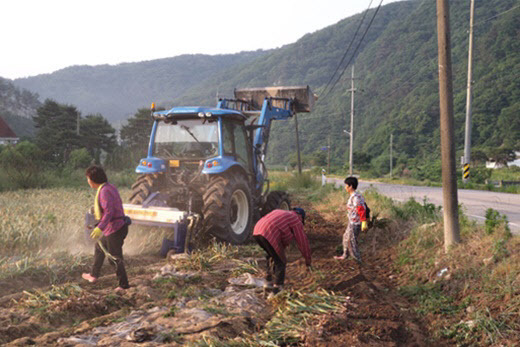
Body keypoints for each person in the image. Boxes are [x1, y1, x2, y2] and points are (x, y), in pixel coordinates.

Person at [82, 165, 130, 292]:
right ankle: (93, 275)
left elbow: (109, 212)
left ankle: (123, 285)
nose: (87, 181)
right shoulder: (109, 187)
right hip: (114, 226)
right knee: (99, 248)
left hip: (115, 228)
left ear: (93, 179)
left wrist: (100, 228)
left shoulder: (104, 191)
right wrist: (97, 225)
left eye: (88, 178)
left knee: (114, 257)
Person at [253, 208, 311, 294]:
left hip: (257, 230)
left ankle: (268, 282)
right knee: (280, 261)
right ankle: (277, 289)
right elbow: (302, 241)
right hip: (269, 232)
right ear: (301, 217)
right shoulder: (295, 219)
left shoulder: (281, 213)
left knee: (271, 256)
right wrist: (308, 259)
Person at [334, 176, 367, 264]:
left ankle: (357, 260)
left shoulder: (356, 197)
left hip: (356, 223)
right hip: (352, 222)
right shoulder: (353, 196)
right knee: (345, 237)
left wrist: (364, 221)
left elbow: (361, 209)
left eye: (346, 186)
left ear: (351, 186)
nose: (345, 188)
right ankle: (345, 255)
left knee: (352, 241)